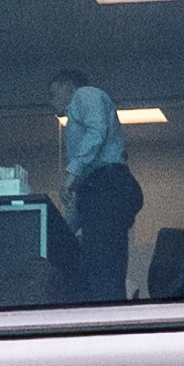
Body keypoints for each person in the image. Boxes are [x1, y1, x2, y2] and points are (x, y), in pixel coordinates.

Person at [49, 65, 140, 305]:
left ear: (68, 85)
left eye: (54, 92)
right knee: (100, 264)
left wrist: (71, 175)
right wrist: (63, 229)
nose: (52, 101)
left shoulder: (85, 94)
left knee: (104, 266)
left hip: (107, 187)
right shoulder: (75, 115)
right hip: (98, 190)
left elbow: (97, 131)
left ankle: (109, 320)